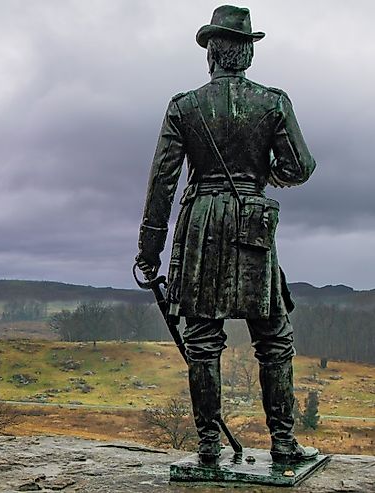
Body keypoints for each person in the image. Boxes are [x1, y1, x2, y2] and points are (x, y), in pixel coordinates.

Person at [135, 5, 318, 464]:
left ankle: (207, 447)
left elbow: (163, 181)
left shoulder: (184, 106)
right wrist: (264, 177)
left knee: (202, 338)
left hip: (200, 223)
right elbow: (301, 166)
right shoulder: (273, 102)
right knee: (274, 336)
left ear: (212, 55)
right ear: (247, 55)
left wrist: (149, 250)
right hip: (251, 221)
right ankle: (283, 443)